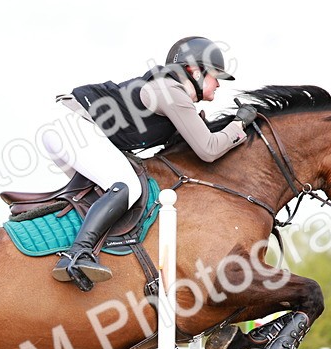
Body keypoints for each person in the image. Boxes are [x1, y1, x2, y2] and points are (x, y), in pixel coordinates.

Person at [40, 36, 251, 290]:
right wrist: (239, 125)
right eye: (216, 75)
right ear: (194, 70)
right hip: (71, 126)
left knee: (104, 200)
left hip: (65, 128)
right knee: (127, 186)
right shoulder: (170, 90)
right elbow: (208, 149)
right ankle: (79, 254)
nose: (218, 83)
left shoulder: (171, 93)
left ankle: (78, 249)